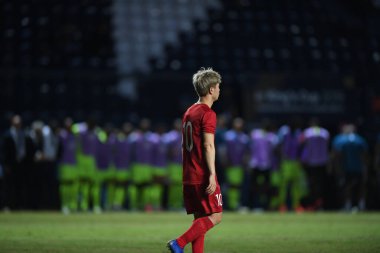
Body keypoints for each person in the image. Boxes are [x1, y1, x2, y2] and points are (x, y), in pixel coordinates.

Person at [167, 68, 223, 253]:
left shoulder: (189, 111)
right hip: (202, 174)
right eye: (218, 86)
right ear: (211, 90)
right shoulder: (208, 113)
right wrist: (212, 175)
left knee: (200, 218)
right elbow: (208, 145)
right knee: (216, 216)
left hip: (189, 173)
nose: (219, 90)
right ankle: (179, 243)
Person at [332, 123, 368, 212]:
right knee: (360, 187)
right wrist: (365, 168)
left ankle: (348, 205)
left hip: (346, 168)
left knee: (347, 187)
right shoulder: (360, 140)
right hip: (358, 168)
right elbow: (365, 156)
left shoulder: (340, 140)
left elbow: (337, 156)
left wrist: (336, 168)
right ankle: (361, 205)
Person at [223, 117, 249, 210]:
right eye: (237, 123)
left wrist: (245, 163)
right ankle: (231, 204)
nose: (239, 125)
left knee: (237, 186)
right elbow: (225, 150)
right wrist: (225, 160)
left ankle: (235, 204)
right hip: (231, 165)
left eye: (240, 123)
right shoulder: (228, 136)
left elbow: (246, 152)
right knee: (231, 185)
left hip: (239, 165)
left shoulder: (244, 138)